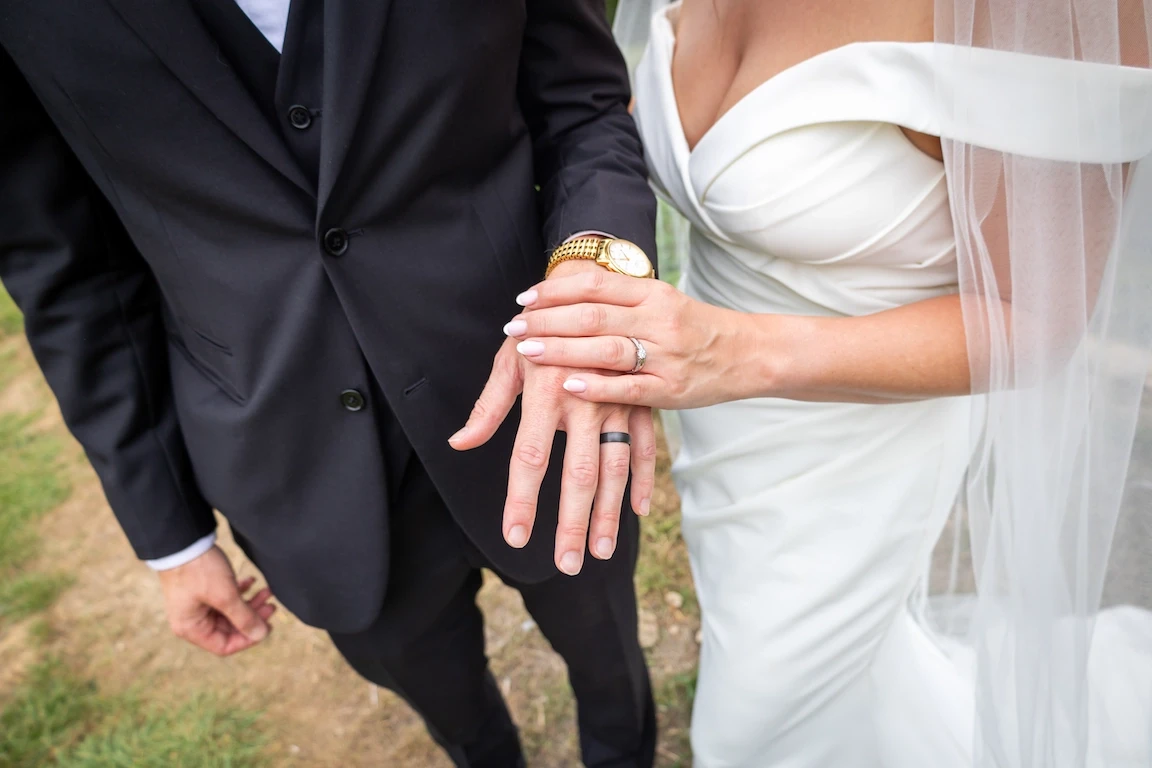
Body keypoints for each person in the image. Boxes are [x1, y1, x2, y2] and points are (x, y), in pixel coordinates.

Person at [480, 0, 1152, 764]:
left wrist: (734, 355)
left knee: (755, 732)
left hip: (853, 451)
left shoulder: (1040, 16)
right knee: (818, 687)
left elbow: (1037, 321)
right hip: (719, 431)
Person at [0, 2, 662, 766]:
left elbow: (581, 105)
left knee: (611, 661)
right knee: (453, 713)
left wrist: (594, 279)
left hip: (538, 390)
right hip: (295, 463)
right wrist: (171, 537)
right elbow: (75, 276)